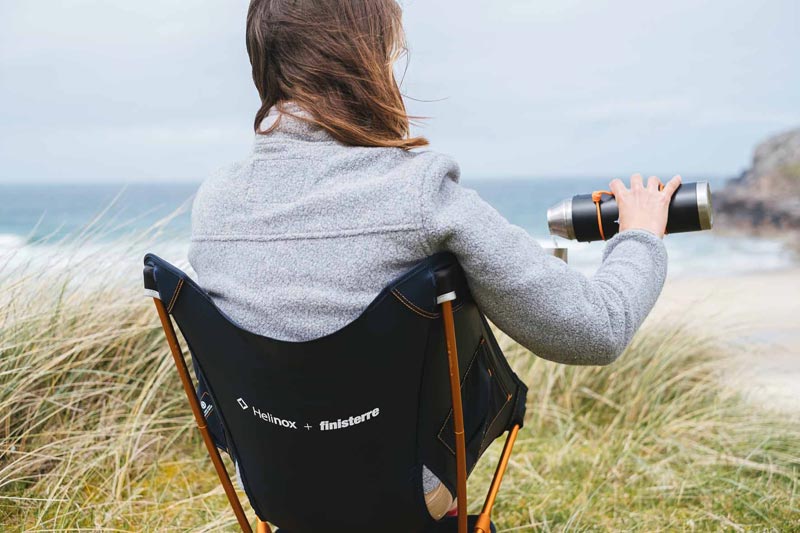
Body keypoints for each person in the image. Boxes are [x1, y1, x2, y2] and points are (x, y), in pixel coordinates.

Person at [188, 0, 681, 521]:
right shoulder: (417, 193)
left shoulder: (214, 202)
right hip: (410, 492)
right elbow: (595, 328)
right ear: (367, 57)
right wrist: (641, 234)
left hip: (273, 485)